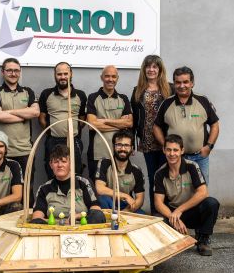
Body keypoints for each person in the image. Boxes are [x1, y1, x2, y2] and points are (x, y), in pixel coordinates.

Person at [154, 134, 219, 256]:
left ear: (182, 150)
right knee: (157, 219)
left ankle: (203, 240)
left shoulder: (192, 166)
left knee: (211, 203)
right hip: (173, 213)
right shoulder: (160, 173)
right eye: (168, 149)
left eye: (175, 150)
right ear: (163, 150)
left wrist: (180, 210)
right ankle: (175, 238)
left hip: (192, 211)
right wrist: (174, 216)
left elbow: (203, 192)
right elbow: (158, 203)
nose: (172, 154)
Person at [153, 66, 219, 184]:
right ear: (174, 84)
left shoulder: (203, 101)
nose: (182, 85)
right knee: (178, 190)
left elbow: (214, 124)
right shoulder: (167, 103)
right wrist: (165, 145)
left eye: (185, 82)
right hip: (175, 158)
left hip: (199, 157)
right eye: (178, 82)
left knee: (201, 189)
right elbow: (156, 126)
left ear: (192, 83)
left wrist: (209, 146)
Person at [0, 58, 39, 206]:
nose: (13, 73)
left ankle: (29, 223)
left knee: (27, 190)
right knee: (4, 191)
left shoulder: (28, 91)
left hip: (25, 150)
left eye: (16, 70)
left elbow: (35, 113)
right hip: (3, 151)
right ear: (3, 72)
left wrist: (8, 112)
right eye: (9, 70)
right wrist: (24, 113)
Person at [130, 55, 172, 214]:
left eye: (155, 67)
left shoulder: (170, 88)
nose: (151, 69)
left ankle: (168, 213)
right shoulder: (138, 91)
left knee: (167, 177)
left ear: (160, 70)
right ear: (144, 69)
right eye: (148, 66)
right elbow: (134, 118)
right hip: (147, 141)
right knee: (153, 177)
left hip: (166, 142)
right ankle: (156, 212)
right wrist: (133, 141)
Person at [31, 144, 106, 225]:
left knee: (98, 216)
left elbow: (96, 209)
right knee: (36, 223)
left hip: (82, 228)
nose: (60, 165)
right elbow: (37, 218)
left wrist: (77, 216)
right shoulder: (44, 188)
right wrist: (60, 223)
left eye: (64, 161)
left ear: (70, 163)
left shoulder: (83, 182)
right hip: (54, 230)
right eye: (56, 162)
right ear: (50, 165)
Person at [38, 62, 87, 179]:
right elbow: (41, 118)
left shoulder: (80, 95)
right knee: (53, 173)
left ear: (71, 74)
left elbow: (82, 120)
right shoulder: (46, 94)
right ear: (55, 75)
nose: (63, 77)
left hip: (73, 141)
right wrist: (53, 131)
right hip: (53, 141)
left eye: (66, 73)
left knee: (75, 172)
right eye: (59, 74)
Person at [86, 65, 133, 180]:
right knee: (99, 190)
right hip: (97, 153)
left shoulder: (123, 98)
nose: (110, 79)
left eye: (113, 76)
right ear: (101, 77)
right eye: (107, 76)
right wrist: (120, 124)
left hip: (120, 152)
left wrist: (104, 120)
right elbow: (92, 125)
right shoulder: (93, 98)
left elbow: (129, 123)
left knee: (119, 188)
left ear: (117, 78)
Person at [95, 130, 145, 214]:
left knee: (141, 214)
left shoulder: (136, 170)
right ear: (113, 146)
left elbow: (140, 199)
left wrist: (126, 211)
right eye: (119, 145)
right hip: (109, 203)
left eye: (126, 145)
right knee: (102, 199)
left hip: (126, 206)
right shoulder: (104, 163)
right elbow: (100, 189)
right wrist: (125, 196)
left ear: (132, 148)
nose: (122, 149)